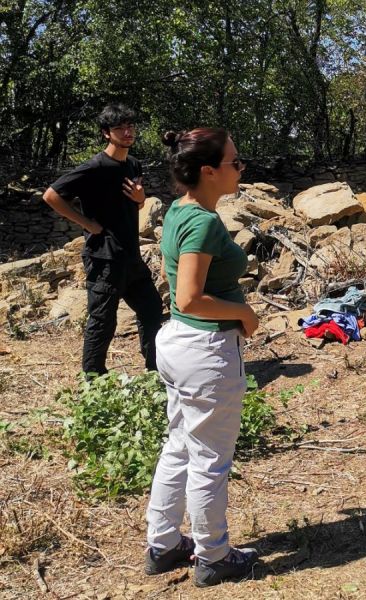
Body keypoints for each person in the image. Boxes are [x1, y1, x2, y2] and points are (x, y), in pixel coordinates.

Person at [144, 127, 260, 587]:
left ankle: (164, 544)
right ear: (209, 171)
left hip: (179, 342)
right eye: (235, 162)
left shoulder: (180, 208)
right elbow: (190, 297)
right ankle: (213, 556)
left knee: (179, 445)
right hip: (205, 347)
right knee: (210, 457)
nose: (241, 167)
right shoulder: (204, 223)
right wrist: (243, 313)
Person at [42, 103, 163, 375]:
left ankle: (155, 369)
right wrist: (86, 224)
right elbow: (50, 195)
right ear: (106, 133)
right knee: (103, 321)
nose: (128, 131)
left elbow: (137, 205)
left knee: (152, 309)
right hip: (104, 256)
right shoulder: (94, 167)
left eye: (131, 125)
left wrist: (141, 199)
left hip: (131, 255)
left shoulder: (133, 164)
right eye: (120, 127)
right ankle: (94, 380)